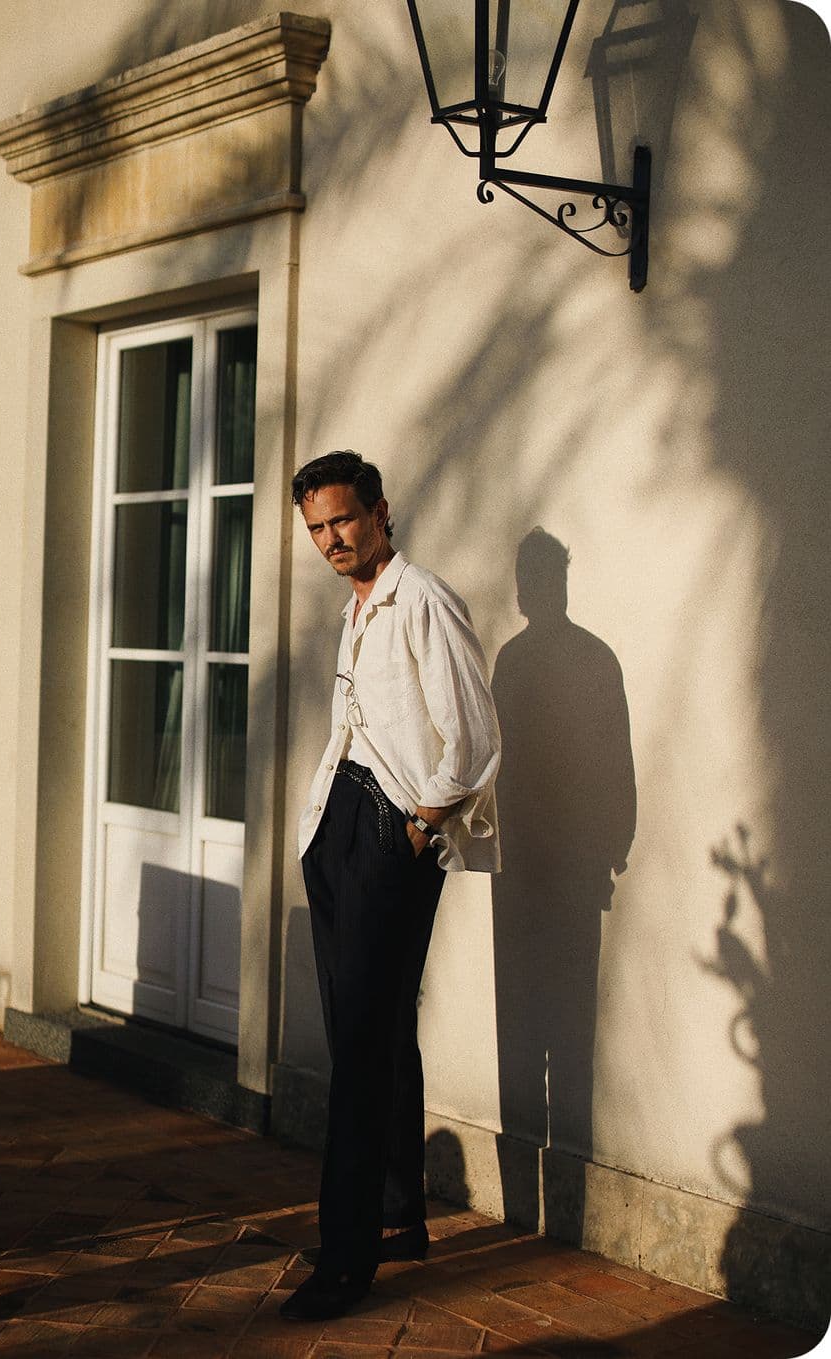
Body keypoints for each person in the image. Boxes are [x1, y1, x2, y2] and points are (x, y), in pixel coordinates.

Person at [280, 450, 501, 1322]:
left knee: (363, 1052)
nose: (330, 539)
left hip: (389, 832)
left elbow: (472, 737)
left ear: (379, 511)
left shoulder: (424, 600)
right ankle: (397, 1216)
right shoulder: (358, 608)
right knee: (370, 1035)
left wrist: (419, 824)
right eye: (316, 528)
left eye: (341, 519)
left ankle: (346, 1261)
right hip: (337, 826)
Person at [491, 528, 636, 1233]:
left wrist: (608, 848)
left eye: (538, 578)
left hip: (537, 877)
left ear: (540, 586)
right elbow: (617, 770)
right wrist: (610, 850)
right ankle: (557, 1220)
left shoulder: (525, 662)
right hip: (552, 875)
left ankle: (535, 1216)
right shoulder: (585, 658)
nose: (534, 591)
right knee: (562, 1036)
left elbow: (610, 766)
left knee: (533, 1035)